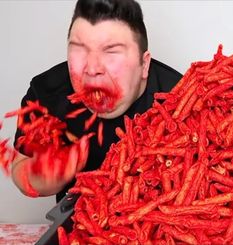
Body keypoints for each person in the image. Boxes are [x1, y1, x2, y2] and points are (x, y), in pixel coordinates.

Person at [11, 0, 182, 202]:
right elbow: (20, 165)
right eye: (80, 49)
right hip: (81, 227)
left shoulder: (181, 98)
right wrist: (44, 175)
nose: (92, 69)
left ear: (144, 64)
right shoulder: (48, 92)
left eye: (111, 51)